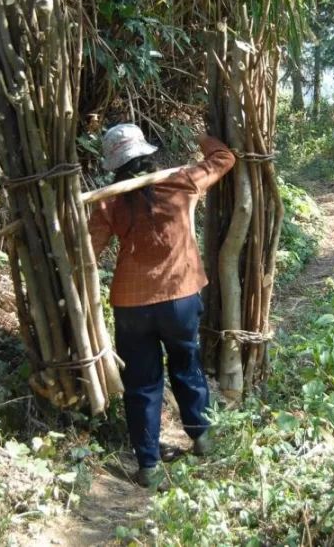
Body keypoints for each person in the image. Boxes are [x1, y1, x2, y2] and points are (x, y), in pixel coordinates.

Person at [88, 123, 236, 488]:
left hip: (131, 305)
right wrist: (199, 134)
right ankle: (201, 437)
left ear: (114, 165)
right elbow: (224, 158)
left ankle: (149, 466)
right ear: (148, 154)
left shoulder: (108, 201)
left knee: (141, 383)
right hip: (181, 299)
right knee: (186, 365)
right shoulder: (182, 182)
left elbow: (89, 251)